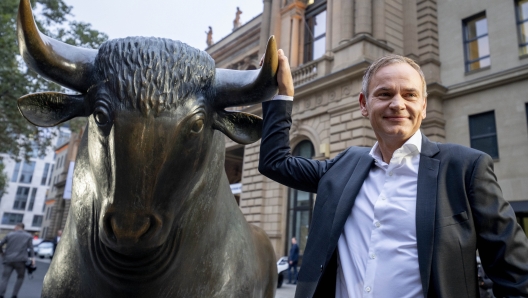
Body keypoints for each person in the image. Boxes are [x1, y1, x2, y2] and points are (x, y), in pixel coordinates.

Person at [258, 50, 528, 297]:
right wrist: (282, 95)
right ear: (364, 104)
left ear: (423, 106)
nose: (397, 104)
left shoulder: (465, 168)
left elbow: (515, 276)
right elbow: (275, 162)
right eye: (385, 94)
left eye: (410, 95)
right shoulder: (345, 165)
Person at [0, 223, 35, 298]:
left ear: (17, 227)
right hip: (21, 260)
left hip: (8, 259)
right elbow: (31, 248)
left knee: (5, 278)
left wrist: (2, 253)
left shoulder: (9, 234)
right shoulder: (28, 236)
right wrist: (33, 259)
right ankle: (14, 295)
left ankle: (1, 294)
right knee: (20, 277)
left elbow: (0, 244)